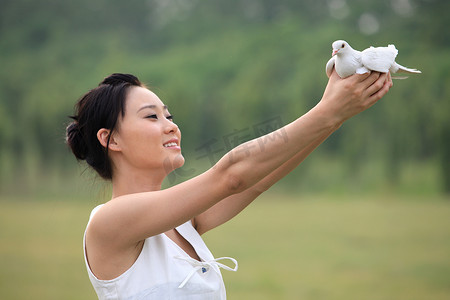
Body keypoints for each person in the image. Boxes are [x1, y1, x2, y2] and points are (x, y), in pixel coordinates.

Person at [66, 69, 392, 299]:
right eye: (152, 117)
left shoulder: (183, 225)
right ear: (111, 140)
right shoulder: (108, 223)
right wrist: (326, 112)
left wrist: (335, 115)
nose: (171, 127)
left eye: (169, 116)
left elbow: (255, 180)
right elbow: (232, 176)